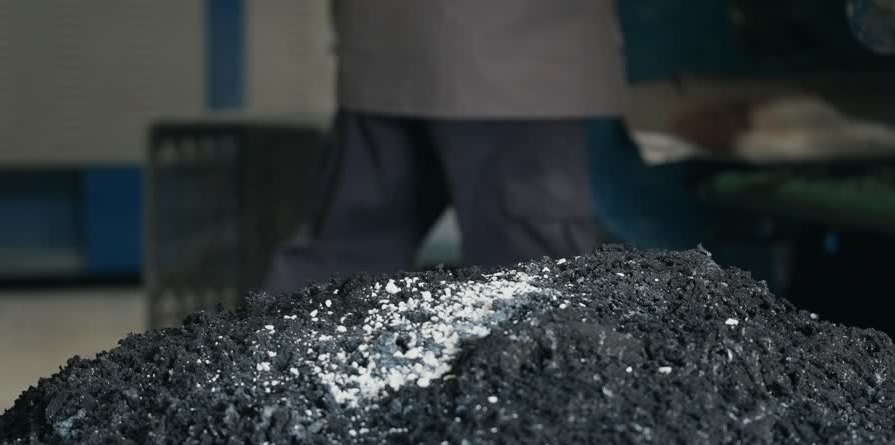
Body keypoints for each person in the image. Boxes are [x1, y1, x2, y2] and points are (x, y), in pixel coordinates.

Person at [263, 0, 627, 294]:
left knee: (346, 256)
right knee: (532, 279)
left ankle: (262, 359)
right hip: (517, 57)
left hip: (385, 48)